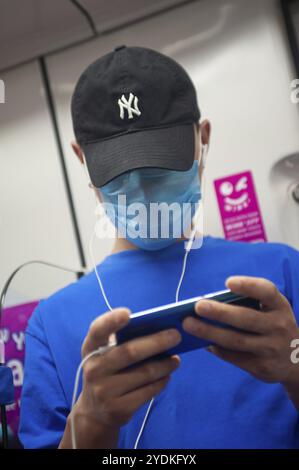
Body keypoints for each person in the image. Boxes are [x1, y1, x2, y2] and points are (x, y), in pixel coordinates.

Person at [19, 46, 299, 449]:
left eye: (161, 164)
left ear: (202, 138)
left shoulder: (280, 274)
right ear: (82, 159)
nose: (143, 187)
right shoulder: (50, 325)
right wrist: (91, 422)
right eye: (122, 170)